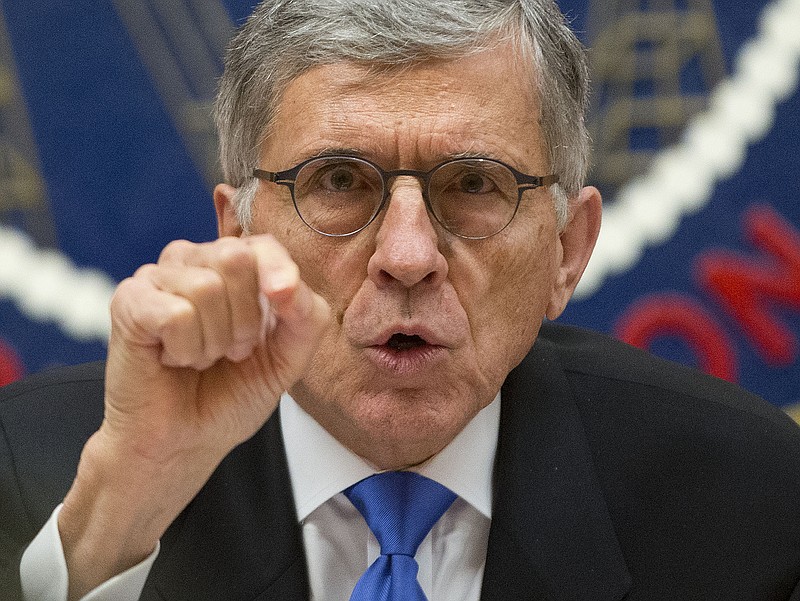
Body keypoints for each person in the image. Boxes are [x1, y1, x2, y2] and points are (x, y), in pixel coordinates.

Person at [3, 0, 800, 599]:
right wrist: (114, 527)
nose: (409, 256)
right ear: (238, 233)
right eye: (340, 182)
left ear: (567, 250)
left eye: (477, 184)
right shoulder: (27, 465)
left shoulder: (754, 504)